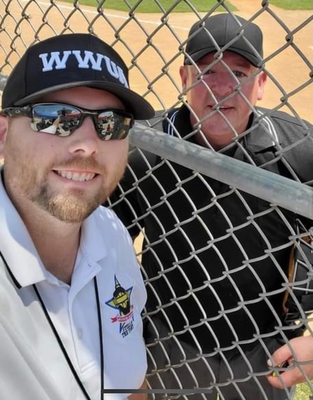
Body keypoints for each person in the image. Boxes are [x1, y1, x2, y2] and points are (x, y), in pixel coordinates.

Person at [109, 13, 313, 400]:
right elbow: (101, 246)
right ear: (185, 79)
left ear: (262, 85)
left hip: (264, 343)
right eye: (207, 71)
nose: (221, 88)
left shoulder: (299, 150)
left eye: (239, 72)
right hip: (169, 336)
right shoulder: (146, 149)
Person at [0, 33, 155, 400]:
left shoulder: (112, 233)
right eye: (56, 118)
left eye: (111, 123)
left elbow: (130, 383)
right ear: (3, 132)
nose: (87, 146)